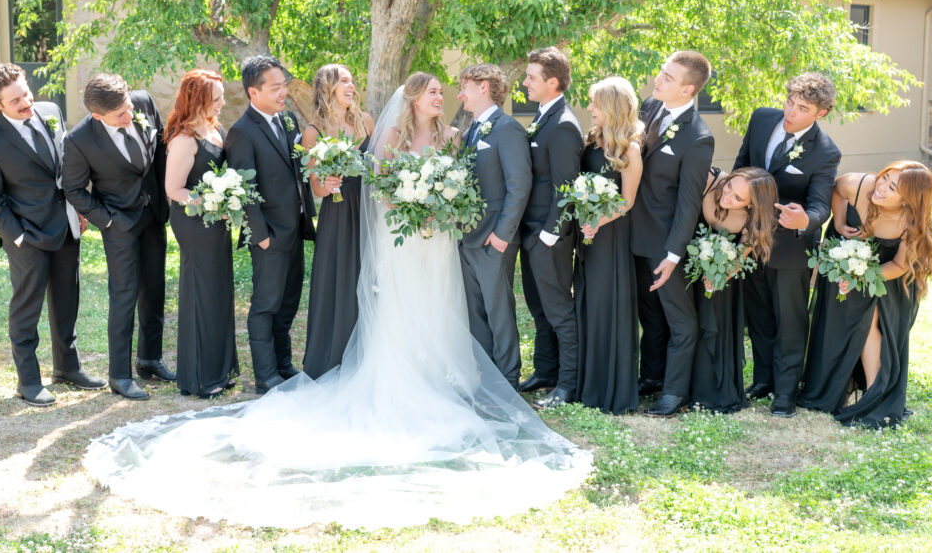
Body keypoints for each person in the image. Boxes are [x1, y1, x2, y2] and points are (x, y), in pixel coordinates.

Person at [82, 72, 592, 529]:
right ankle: (380, 376)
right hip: (402, 235)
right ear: (414, 97)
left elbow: (463, 183)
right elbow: (380, 186)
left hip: (437, 240)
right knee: (395, 307)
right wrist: (410, 199)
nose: (444, 97)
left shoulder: (450, 136)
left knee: (443, 307)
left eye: (445, 90)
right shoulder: (382, 134)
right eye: (435, 90)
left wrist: (442, 204)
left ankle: (448, 377)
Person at [0, 63, 101, 406]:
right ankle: (28, 381)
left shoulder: (50, 111)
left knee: (67, 300)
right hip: (27, 236)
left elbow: (66, 164)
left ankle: (67, 368)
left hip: (67, 226)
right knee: (27, 308)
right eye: (16, 101)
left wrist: (79, 208)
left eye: (26, 93)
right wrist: (18, 237)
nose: (27, 103)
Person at [733, 72, 841, 417]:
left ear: (820, 114)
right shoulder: (762, 118)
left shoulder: (825, 152)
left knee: (790, 322)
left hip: (791, 248)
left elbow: (820, 205)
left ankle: (785, 394)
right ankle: (763, 380)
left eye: (802, 108)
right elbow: (741, 167)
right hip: (750, 242)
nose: (790, 112)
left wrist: (805, 221)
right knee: (759, 316)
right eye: (789, 102)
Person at [799, 162, 932, 428]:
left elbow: (898, 266)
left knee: (872, 318)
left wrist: (861, 277)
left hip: (888, 276)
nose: (881, 187)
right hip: (845, 256)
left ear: (910, 199)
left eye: (892, 187)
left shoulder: (912, 222)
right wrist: (839, 222)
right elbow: (837, 189)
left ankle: (874, 394)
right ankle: (835, 386)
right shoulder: (860, 185)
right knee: (840, 321)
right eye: (885, 177)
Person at [62, 73, 174, 400]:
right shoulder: (79, 140)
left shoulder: (143, 102)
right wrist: (108, 221)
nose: (129, 116)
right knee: (124, 296)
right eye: (119, 116)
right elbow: (73, 189)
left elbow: (161, 148)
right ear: (98, 116)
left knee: (154, 289)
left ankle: (150, 359)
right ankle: (120, 376)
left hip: (153, 216)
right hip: (119, 225)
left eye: (128, 108)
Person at [630, 51, 715, 417]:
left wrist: (673, 254)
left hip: (666, 242)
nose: (658, 80)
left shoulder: (699, 138)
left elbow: (688, 203)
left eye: (667, 77)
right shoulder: (649, 108)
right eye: (662, 73)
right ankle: (651, 377)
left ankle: (675, 392)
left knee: (680, 320)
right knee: (649, 315)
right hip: (634, 233)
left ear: (689, 89)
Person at [225, 55, 316, 393]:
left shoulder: (289, 121)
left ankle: (282, 363)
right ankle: (265, 376)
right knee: (266, 304)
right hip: (269, 236)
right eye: (276, 87)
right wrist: (260, 237)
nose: (283, 93)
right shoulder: (242, 132)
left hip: (295, 228)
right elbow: (244, 190)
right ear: (253, 92)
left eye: (284, 85)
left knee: (289, 300)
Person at [164, 69, 239, 398]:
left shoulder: (214, 127)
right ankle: (200, 375)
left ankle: (220, 368)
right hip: (195, 222)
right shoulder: (184, 139)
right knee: (202, 292)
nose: (222, 103)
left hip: (217, 219)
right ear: (198, 100)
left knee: (220, 291)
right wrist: (209, 202)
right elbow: (173, 189)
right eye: (216, 98)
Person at [455, 63, 532, 389]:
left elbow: (519, 185)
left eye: (465, 87)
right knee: (476, 314)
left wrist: (502, 236)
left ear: (484, 86)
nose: (460, 95)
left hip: (493, 239)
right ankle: (486, 380)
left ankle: (507, 381)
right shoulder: (471, 129)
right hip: (467, 237)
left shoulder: (508, 128)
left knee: (499, 312)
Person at [517, 47, 585, 408]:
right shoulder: (544, 116)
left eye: (531, 77)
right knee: (539, 310)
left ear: (553, 82)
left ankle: (567, 385)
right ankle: (545, 371)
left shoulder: (563, 126)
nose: (525, 82)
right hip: (531, 233)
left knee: (559, 311)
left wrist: (547, 235)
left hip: (548, 237)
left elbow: (566, 188)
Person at [572, 77, 643, 415]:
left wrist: (599, 220)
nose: (589, 109)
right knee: (587, 301)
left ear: (612, 108)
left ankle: (611, 388)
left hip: (611, 237)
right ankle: (587, 383)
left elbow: (628, 201)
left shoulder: (629, 148)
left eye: (594, 104)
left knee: (607, 304)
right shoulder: (591, 140)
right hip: (589, 235)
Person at [300, 64, 374, 379]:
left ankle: (369, 355)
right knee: (338, 279)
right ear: (328, 87)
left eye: (353, 81)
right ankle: (333, 357)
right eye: (344, 80)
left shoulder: (367, 122)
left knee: (370, 280)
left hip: (369, 212)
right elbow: (315, 186)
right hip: (338, 213)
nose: (352, 85)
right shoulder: (313, 131)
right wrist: (327, 183)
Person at [688, 167, 778, 413]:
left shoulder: (752, 220)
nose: (727, 197)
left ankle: (712, 390)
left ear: (751, 205)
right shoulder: (709, 179)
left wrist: (717, 276)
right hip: (687, 266)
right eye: (729, 186)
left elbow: (738, 259)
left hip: (722, 277)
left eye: (738, 199)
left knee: (715, 327)